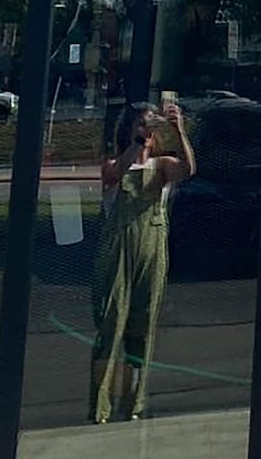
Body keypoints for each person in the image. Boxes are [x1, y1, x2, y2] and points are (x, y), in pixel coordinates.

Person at [90, 99, 195, 423]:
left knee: (143, 325)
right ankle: (100, 407)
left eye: (150, 124)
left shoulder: (162, 166)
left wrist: (177, 129)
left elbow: (189, 169)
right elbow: (114, 175)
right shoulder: (113, 164)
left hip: (152, 246)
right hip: (118, 248)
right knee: (112, 323)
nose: (146, 130)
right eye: (140, 123)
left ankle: (134, 403)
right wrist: (137, 144)